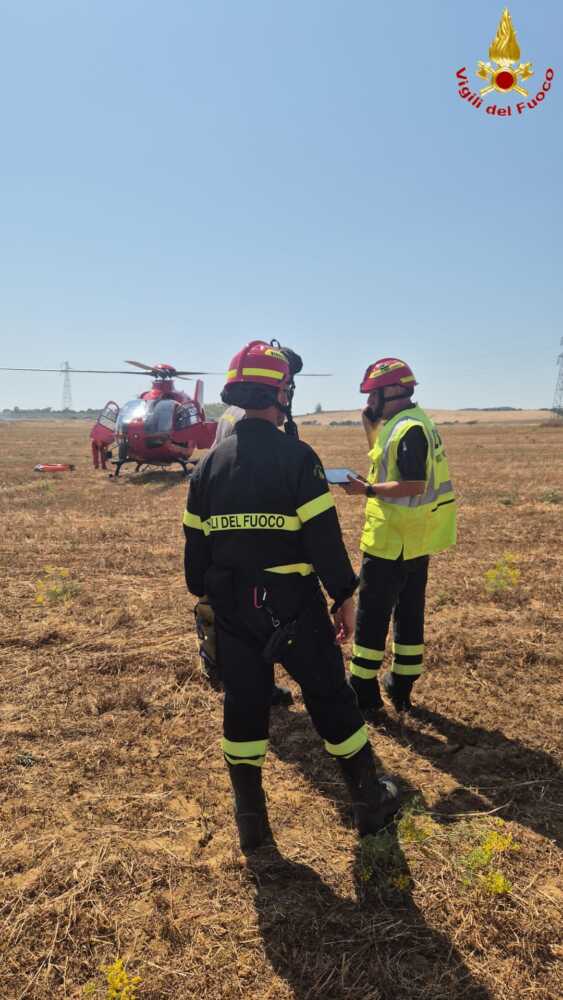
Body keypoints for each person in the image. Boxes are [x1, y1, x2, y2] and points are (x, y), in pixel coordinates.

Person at [183, 340, 399, 850]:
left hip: (233, 609)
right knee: (329, 698)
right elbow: (323, 542)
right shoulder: (299, 458)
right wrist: (345, 596)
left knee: (244, 704)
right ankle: (369, 801)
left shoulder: (207, 467)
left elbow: (195, 572)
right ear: (280, 393)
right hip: (293, 607)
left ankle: (252, 823)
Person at [342, 358, 456, 719]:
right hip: (414, 537)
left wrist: (367, 490)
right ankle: (401, 684)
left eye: (373, 393)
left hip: (392, 539)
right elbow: (386, 457)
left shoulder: (408, 430)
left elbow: (412, 484)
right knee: (409, 615)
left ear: (391, 391)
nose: (369, 400)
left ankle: (362, 689)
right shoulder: (408, 423)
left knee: (372, 616)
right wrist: (368, 424)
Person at [193, 343, 305, 708]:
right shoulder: (248, 417)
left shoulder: (236, 411)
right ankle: (239, 678)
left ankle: (241, 676)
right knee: (248, 608)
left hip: (228, 526)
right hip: (247, 524)